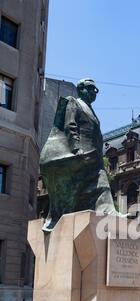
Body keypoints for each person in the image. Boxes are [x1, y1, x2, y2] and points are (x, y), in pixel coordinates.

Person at [40, 78, 131, 232]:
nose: (93, 92)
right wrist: (76, 148)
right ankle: (57, 217)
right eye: (90, 88)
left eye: (95, 90)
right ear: (80, 89)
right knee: (72, 188)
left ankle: (110, 212)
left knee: (102, 186)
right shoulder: (73, 103)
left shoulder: (91, 110)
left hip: (94, 157)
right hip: (80, 155)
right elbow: (70, 125)